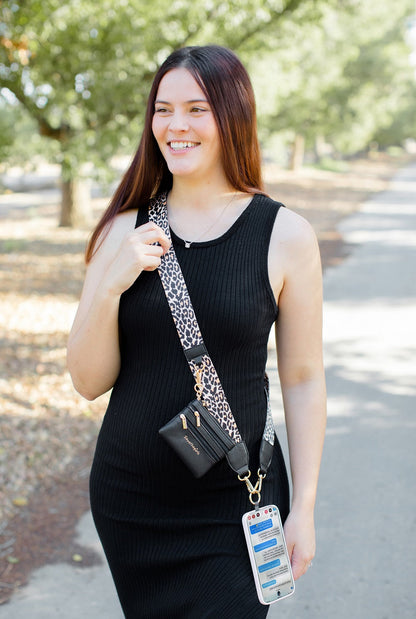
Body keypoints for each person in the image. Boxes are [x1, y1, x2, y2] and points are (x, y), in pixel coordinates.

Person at [67, 44, 326, 618]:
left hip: (236, 501)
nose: (175, 126)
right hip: (132, 502)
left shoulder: (284, 235)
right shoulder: (122, 231)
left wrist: (303, 507)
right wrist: (112, 282)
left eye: (195, 109)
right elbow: (87, 381)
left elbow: (304, 379)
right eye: (162, 109)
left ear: (232, 116)